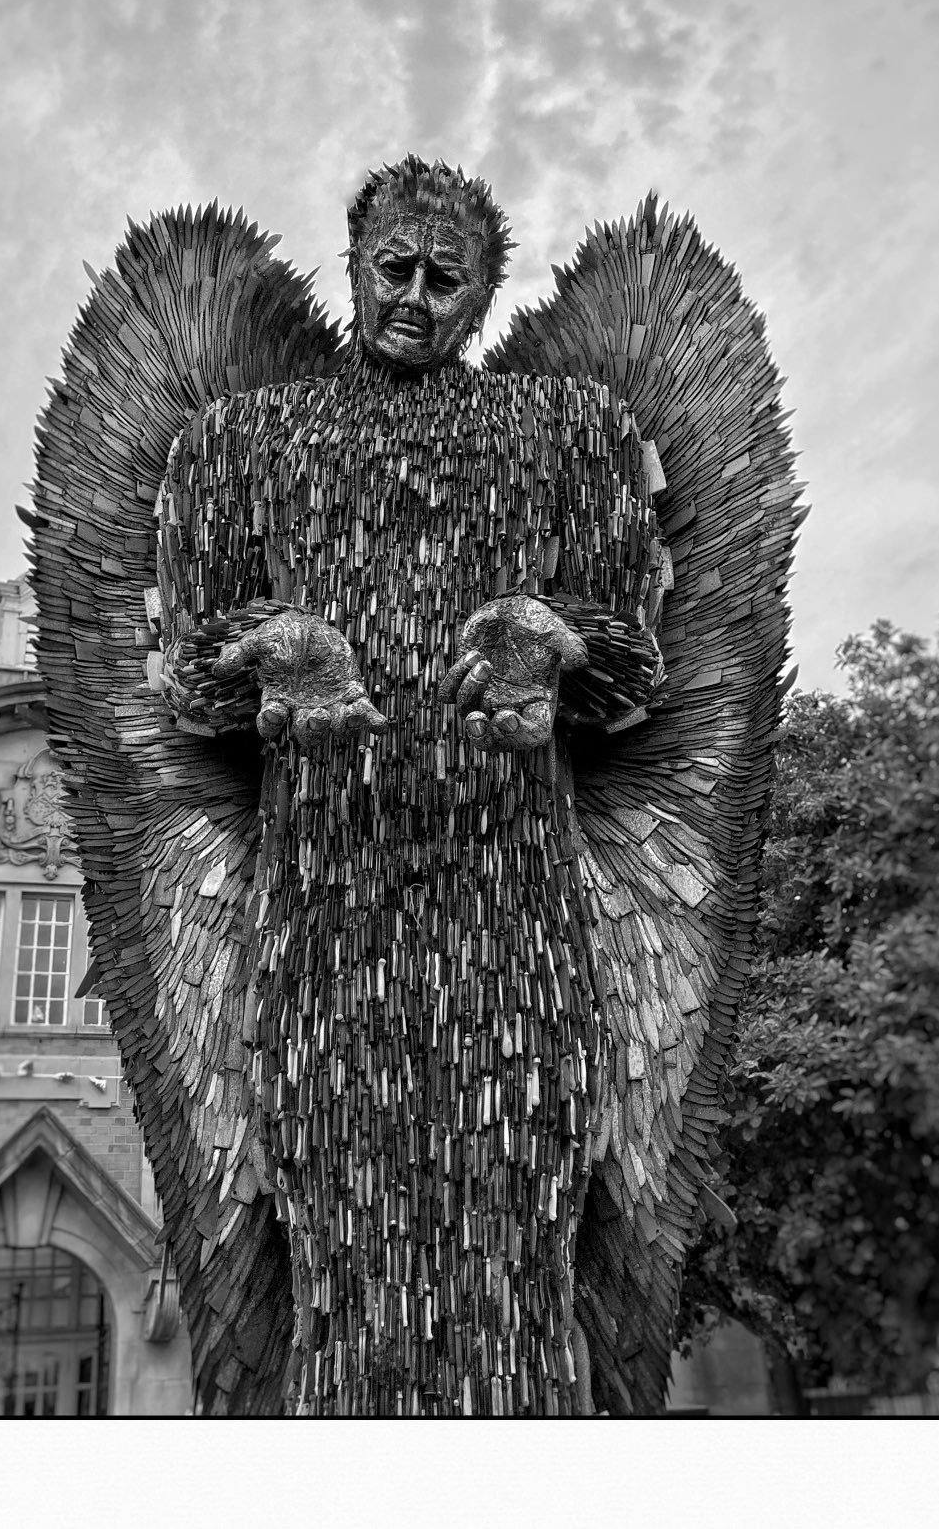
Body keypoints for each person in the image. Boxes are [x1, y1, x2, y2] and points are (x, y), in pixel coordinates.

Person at [152, 156, 665, 1416]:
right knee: (342, 1269)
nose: (416, 299)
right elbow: (188, 674)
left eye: (447, 280)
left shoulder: (574, 433)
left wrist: (561, 646)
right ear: (353, 262)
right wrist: (268, 647)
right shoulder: (239, 444)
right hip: (324, 928)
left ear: (485, 296)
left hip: (515, 925)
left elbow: (634, 663)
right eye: (396, 268)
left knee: (516, 1263)